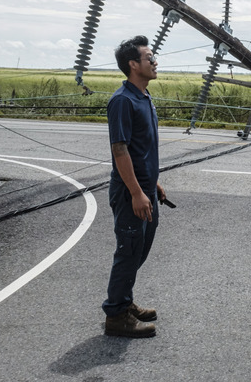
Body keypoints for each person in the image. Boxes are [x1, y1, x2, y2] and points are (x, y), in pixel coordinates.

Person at [102, 35, 167, 338]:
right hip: (131, 193)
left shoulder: (144, 97)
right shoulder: (122, 101)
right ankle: (116, 315)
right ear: (133, 64)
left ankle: (124, 302)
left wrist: (152, 184)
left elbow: (142, 148)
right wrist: (138, 193)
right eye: (149, 57)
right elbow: (120, 151)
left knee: (138, 250)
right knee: (128, 252)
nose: (154, 62)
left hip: (145, 189)